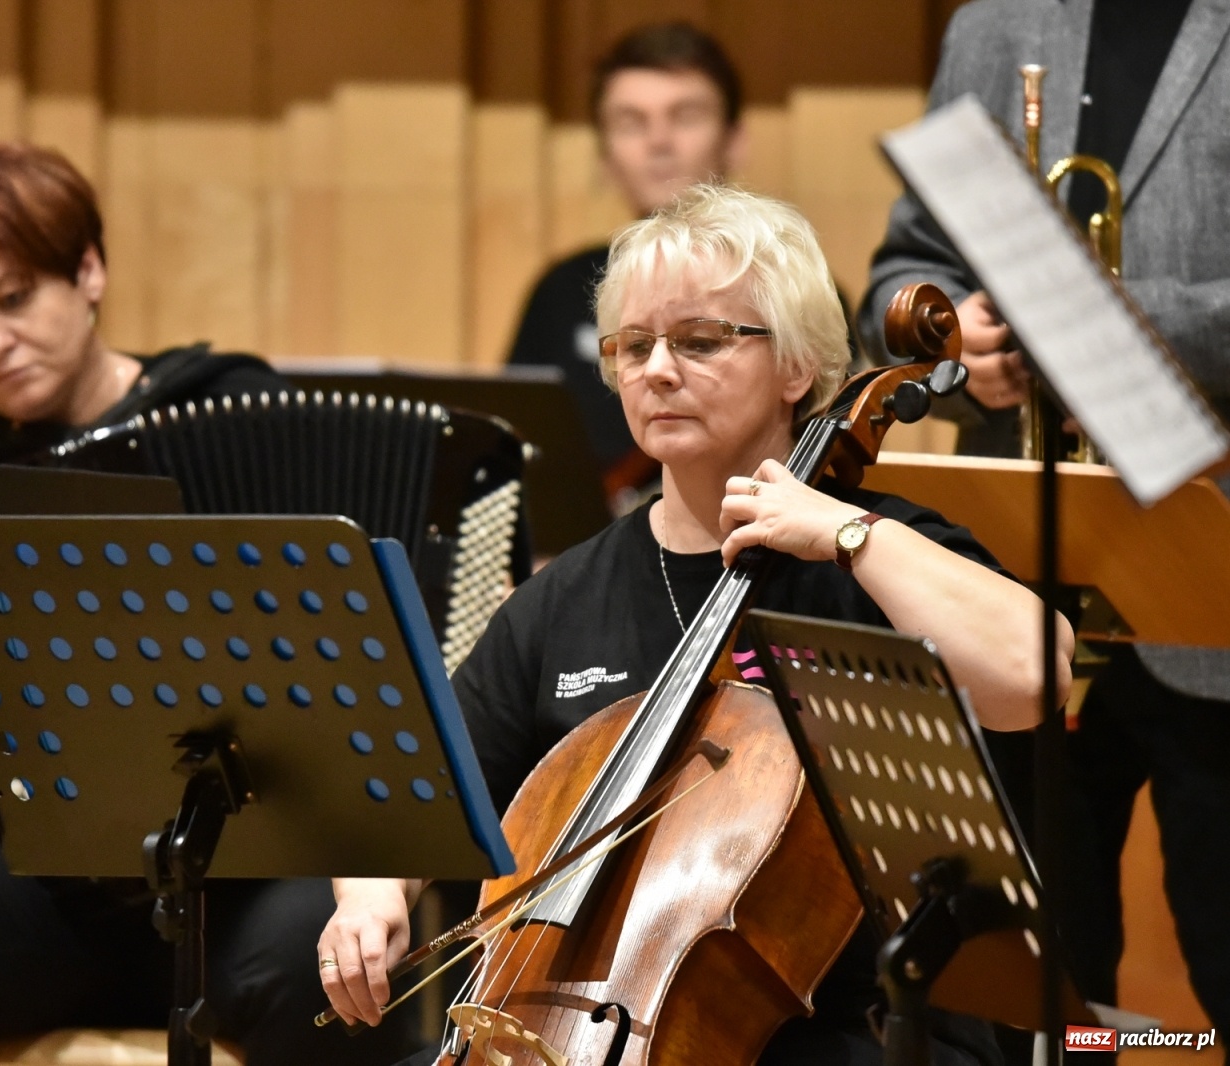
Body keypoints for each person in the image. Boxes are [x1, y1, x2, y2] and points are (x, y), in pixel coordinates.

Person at [323, 184, 1072, 1065]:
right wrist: (370, 894)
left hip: (846, 1027)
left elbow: (1036, 677)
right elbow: (416, 788)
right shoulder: (564, 597)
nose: (657, 369)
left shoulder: (878, 554)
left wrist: (848, 532)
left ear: (796, 366)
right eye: (633, 345)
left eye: (701, 340)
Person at [0, 142, 419, 1066]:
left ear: (88, 271)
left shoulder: (233, 410)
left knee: (324, 957)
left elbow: (353, 656)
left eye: (13, 299)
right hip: (39, 874)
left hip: (248, 874)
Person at [858, 0, 1230, 1039]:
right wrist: (952, 334)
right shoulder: (993, 24)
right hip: (1017, 581)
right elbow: (897, 276)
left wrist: (1098, 312)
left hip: (1207, 572)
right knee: (1028, 996)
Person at [507, 22, 744, 501]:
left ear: (734, 140)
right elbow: (514, 453)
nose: (659, 141)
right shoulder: (560, 290)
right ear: (605, 157)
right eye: (631, 123)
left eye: (686, 116)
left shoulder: (791, 289)